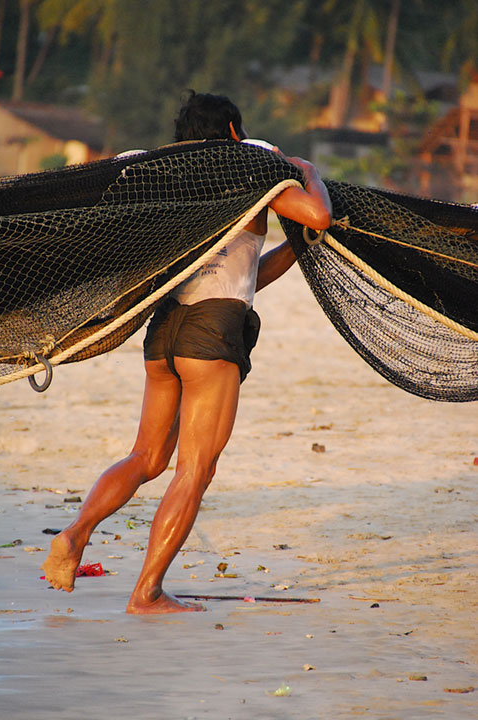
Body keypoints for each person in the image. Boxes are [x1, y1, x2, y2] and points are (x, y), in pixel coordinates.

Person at [41, 91, 332, 614]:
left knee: (147, 457)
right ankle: (146, 592)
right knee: (194, 469)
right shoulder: (251, 170)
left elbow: (245, 276)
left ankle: (75, 534)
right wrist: (308, 170)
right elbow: (316, 214)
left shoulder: (175, 180)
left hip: (166, 330)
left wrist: (294, 249)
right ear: (236, 134)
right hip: (212, 334)